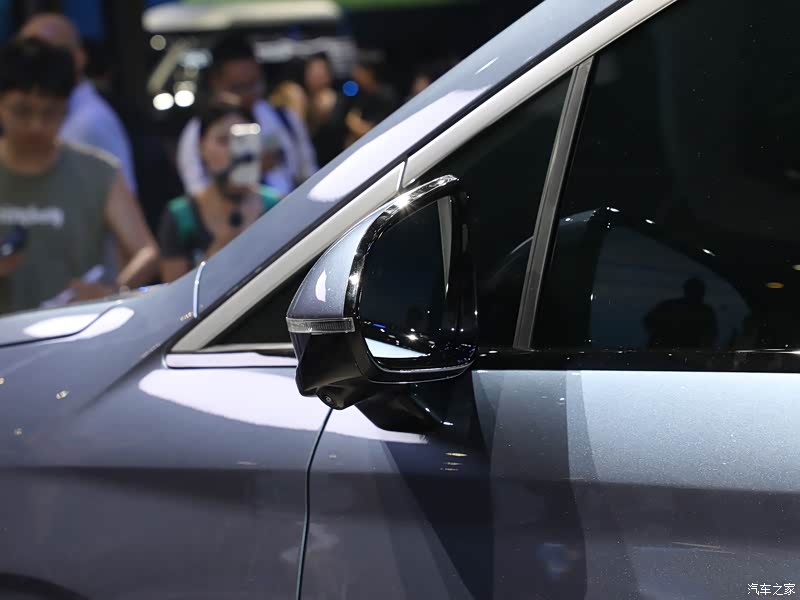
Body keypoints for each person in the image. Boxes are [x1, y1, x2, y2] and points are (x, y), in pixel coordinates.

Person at [0, 38, 158, 313]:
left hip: (74, 327)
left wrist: (113, 292)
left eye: (50, 113)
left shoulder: (97, 170)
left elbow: (146, 251)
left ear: (66, 108)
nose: (36, 126)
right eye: (22, 111)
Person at [177, 37, 317, 198]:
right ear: (215, 83)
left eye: (254, 83)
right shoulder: (198, 132)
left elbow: (309, 175)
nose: (249, 94)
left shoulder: (284, 119)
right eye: (238, 87)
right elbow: (197, 195)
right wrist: (250, 169)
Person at [159, 100, 282, 283]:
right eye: (223, 140)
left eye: (242, 140)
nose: (233, 150)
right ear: (201, 147)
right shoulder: (180, 216)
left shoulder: (277, 206)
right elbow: (174, 292)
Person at [19, 13, 137, 193]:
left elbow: (122, 197)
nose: (32, 65)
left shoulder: (88, 121)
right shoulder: (75, 114)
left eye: (45, 54)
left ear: (79, 58)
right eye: (25, 55)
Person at [643, 277, 719, 349]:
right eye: (694, 291)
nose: (697, 294)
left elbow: (711, 335)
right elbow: (649, 321)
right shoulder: (669, 306)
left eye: (698, 291)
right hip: (666, 349)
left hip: (689, 351)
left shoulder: (706, 311)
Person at [303, 53, 349, 166]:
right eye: (312, 71)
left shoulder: (342, 102)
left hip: (339, 162)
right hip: (312, 164)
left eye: (320, 71)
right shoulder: (301, 102)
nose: (316, 75)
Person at [345, 52, 397, 147]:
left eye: (360, 71)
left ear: (369, 73)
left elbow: (375, 131)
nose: (355, 74)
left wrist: (354, 125)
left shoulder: (386, 95)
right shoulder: (360, 94)